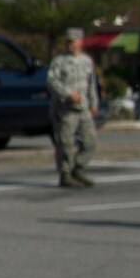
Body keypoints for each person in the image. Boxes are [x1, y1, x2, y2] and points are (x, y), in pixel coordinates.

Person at [46, 25, 100, 187]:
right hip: (66, 109)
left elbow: (91, 84)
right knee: (66, 143)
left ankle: (78, 168)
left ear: (80, 42)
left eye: (73, 41)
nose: (70, 44)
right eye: (67, 41)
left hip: (83, 108)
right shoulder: (59, 61)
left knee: (90, 142)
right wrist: (68, 93)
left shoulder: (86, 61)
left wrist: (94, 103)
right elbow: (52, 81)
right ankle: (65, 174)